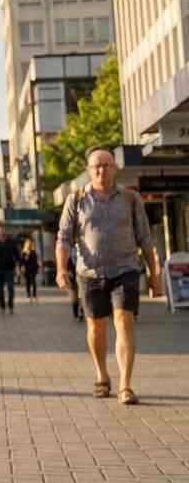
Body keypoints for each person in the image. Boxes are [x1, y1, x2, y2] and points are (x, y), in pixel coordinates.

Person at [58, 146, 161, 405]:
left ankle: (125, 385)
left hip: (125, 269)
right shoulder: (77, 199)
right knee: (96, 326)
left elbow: (145, 238)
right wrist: (61, 269)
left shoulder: (130, 198)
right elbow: (63, 238)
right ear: (88, 170)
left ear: (115, 168)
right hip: (89, 273)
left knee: (124, 319)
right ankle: (102, 376)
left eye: (106, 165)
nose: (101, 169)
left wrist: (153, 274)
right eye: (96, 166)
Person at [0, 225, 21, 314]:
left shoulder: (12, 242)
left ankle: (11, 306)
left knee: (10, 288)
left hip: (9, 269)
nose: (2, 232)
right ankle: (2, 306)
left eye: (3, 231)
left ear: (6, 232)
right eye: (0, 231)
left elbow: (17, 257)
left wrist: (18, 267)